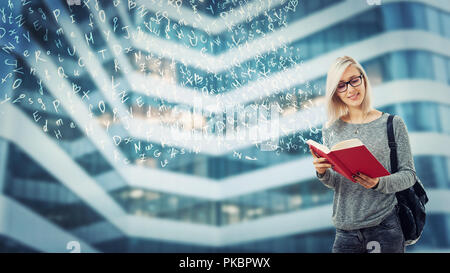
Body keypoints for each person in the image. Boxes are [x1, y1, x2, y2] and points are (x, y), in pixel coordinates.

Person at [311, 56, 418, 253]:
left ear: (363, 79)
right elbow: (337, 182)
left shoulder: (392, 124)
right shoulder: (330, 129)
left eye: (354, 80)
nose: (351, 89)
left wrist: (378, 183)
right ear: (335, 92)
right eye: (342, 85)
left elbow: (409, 175)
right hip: (345, 230)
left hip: (384, 225)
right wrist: (322, 172)